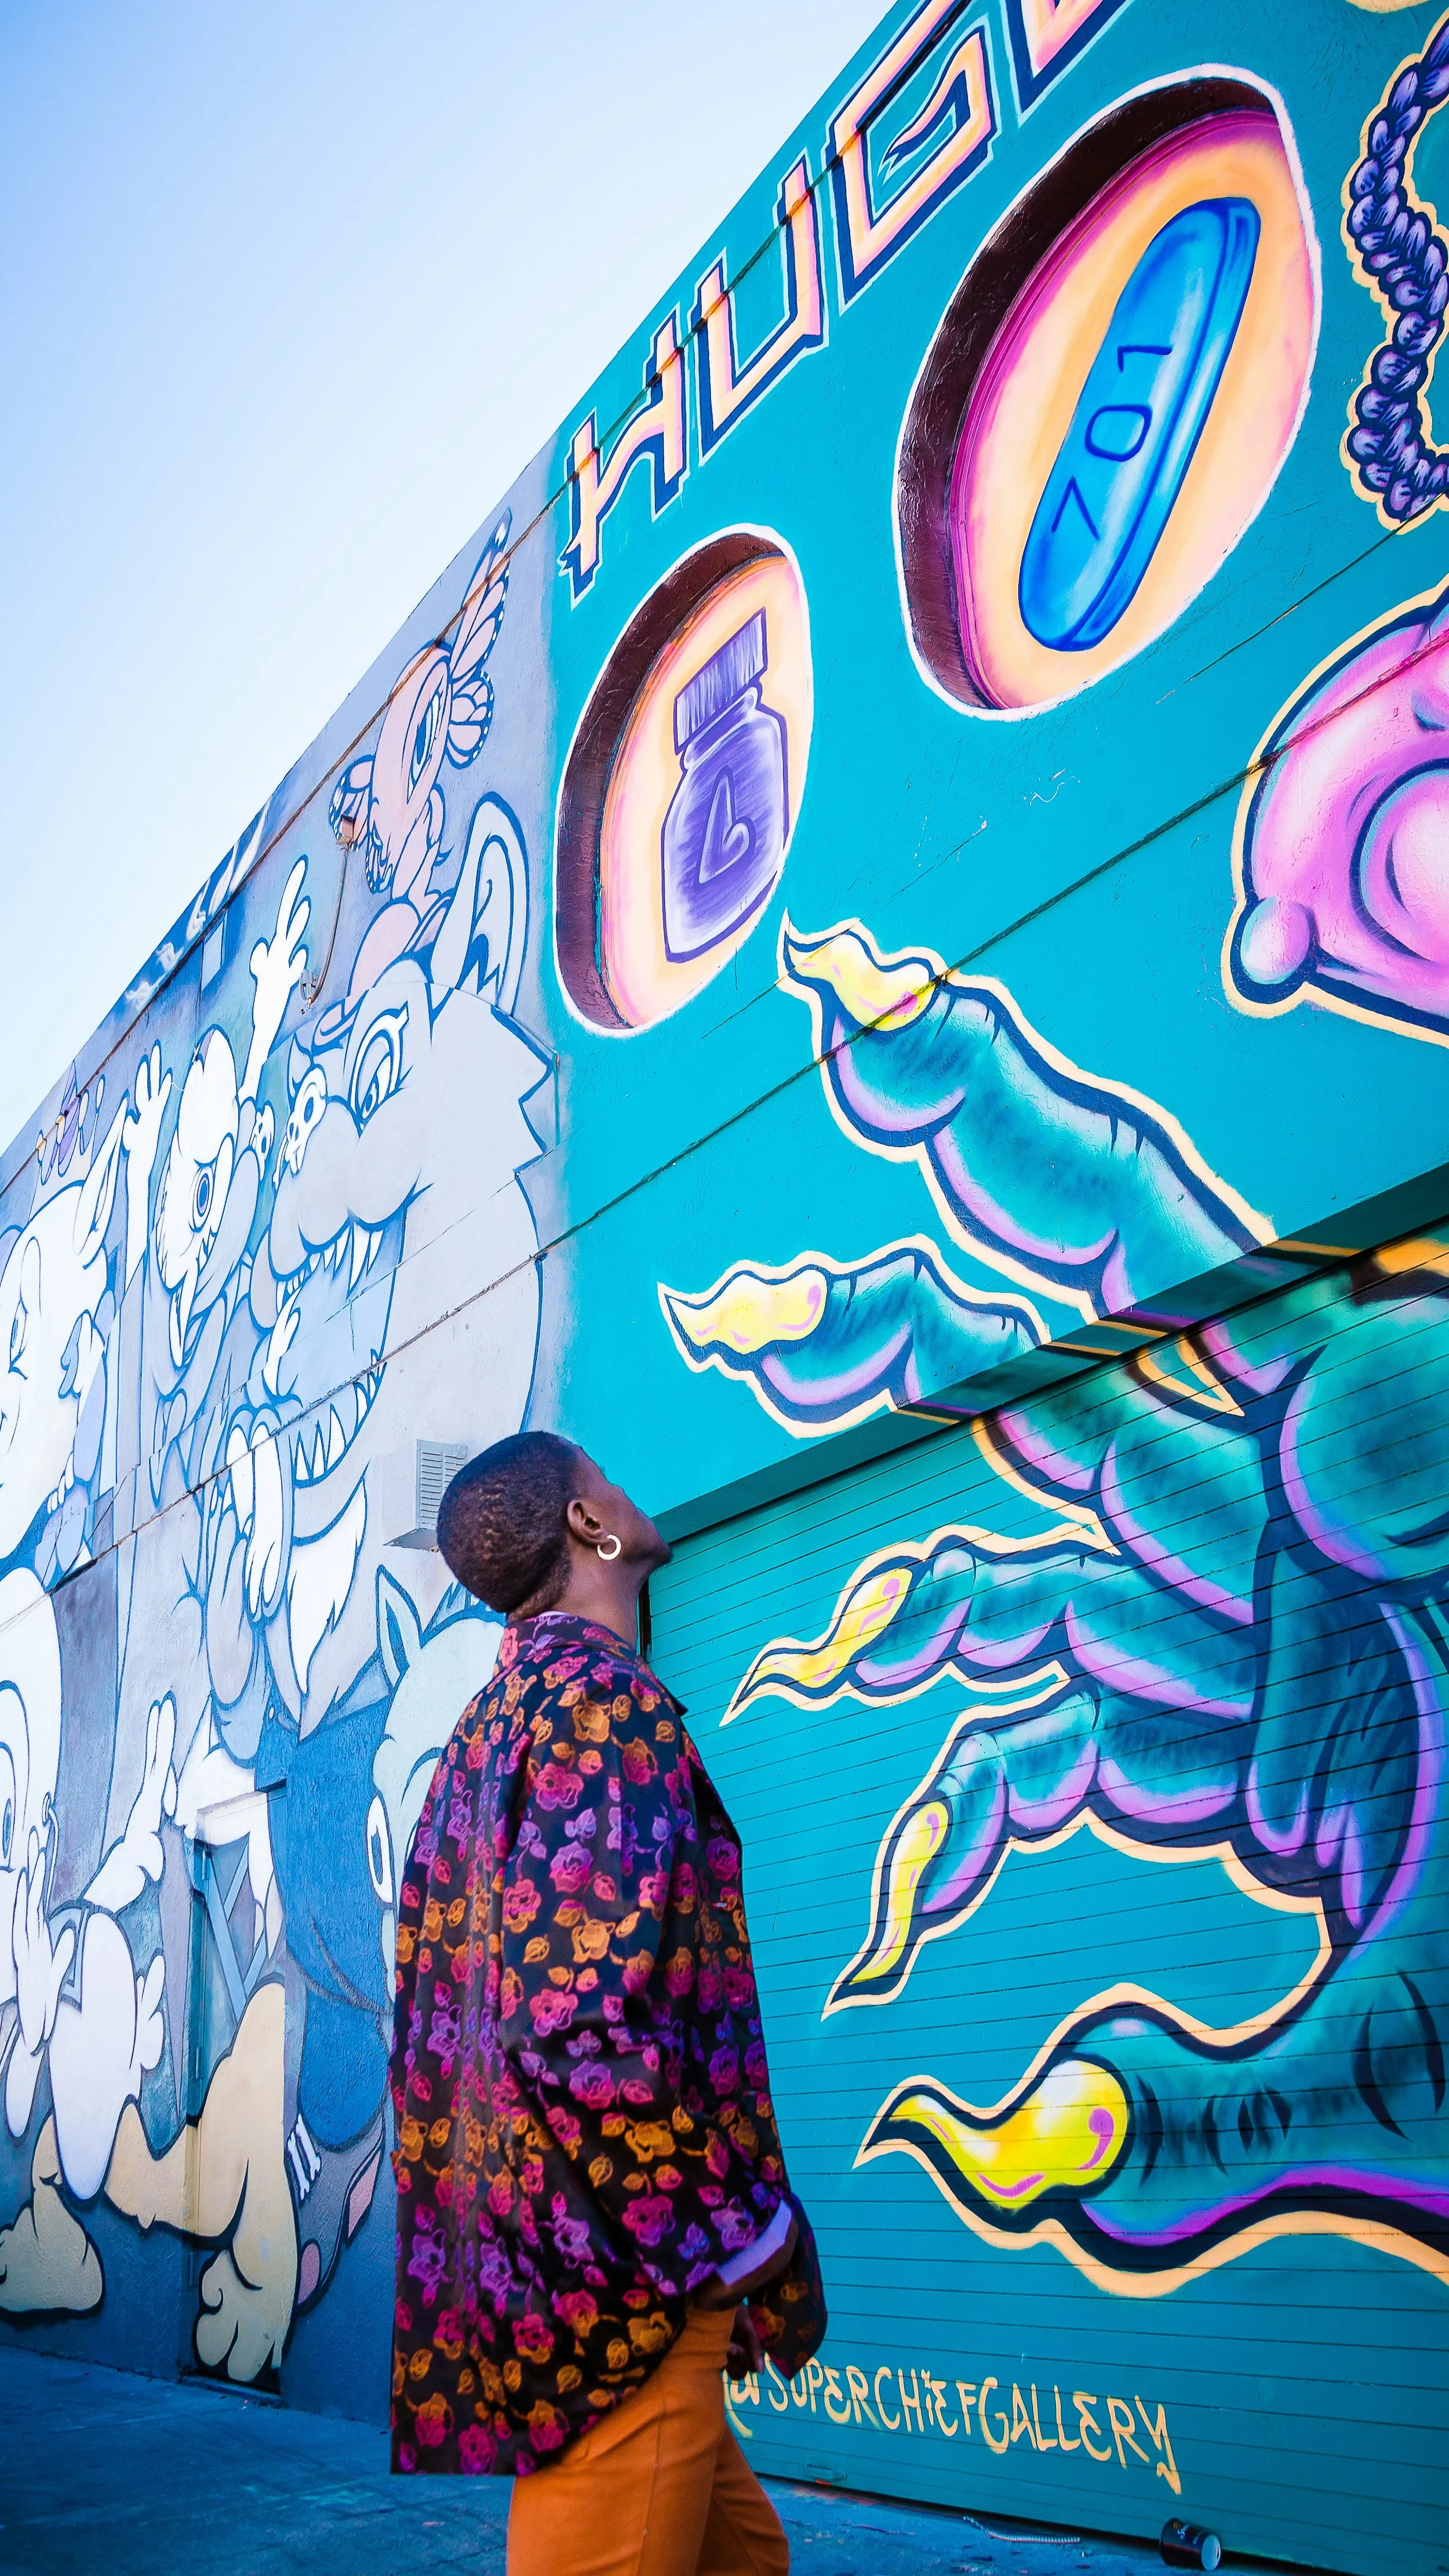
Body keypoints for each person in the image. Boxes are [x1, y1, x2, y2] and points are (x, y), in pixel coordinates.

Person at [388, 1430, 827, 2576]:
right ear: (590, 1525)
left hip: (549, 2254)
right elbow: (574, 2024)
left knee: (745, 2562)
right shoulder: (599, 1709)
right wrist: (729, 2233)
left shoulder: (493, 1721)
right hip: (620, 2284)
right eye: (610, 1482)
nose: (632, 1492)